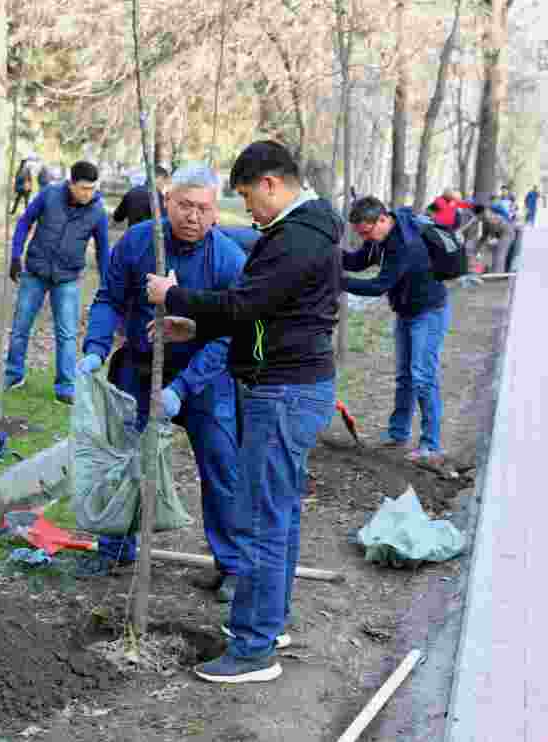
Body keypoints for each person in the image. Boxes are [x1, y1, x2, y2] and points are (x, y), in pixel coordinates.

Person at [146, 141, 342, 683]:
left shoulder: (295, 237)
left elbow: (246, 304)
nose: (246, 209)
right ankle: (269, 622)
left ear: (273, 184)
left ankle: (255, 648)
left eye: (248, 196)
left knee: (260, 518)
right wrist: (197, 327)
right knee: (277, 513)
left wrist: (177, 297)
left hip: (282, 392)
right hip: (288, 384)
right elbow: (263, 318)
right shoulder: (299, 232)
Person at [77, 166, 247, 602]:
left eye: (203, 208)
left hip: (205, 376)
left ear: (215, 212)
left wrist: (182, 388)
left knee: (221, 465)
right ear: (166, 201)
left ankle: (231, 565)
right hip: (139, 365)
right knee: (126, 459)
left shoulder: (228, 260)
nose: (193, 216)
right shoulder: (138, 243)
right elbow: (109, 298)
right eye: (184, 205)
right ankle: (116, 548)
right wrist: (95, 348)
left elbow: (229, 336)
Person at [343, 196, 451, 463]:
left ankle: (431, 445)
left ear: (382, 219)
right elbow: (357, 262)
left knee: (422, 377)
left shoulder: (404, 242)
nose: (366, 238)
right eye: (361, 234)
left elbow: (380, 285)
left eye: (367, 232)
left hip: (428, 312)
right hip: (406, 311)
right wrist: (329, 255)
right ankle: (398, 434)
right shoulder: (380, 237)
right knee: (405, 376)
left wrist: (338, 281)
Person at [4, 161, 110, 405]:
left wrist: (107, 284)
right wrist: (15, 255)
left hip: (68, 278)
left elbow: (103, 251)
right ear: (71, 184)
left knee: (67, 334)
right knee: (21, 327)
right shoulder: (50, 195)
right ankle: (13, 375)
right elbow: (24, 222)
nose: (88, 193)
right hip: (35, 272)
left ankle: (65, 386)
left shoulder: (97, 212)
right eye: (84, 188)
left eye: (93, 188)